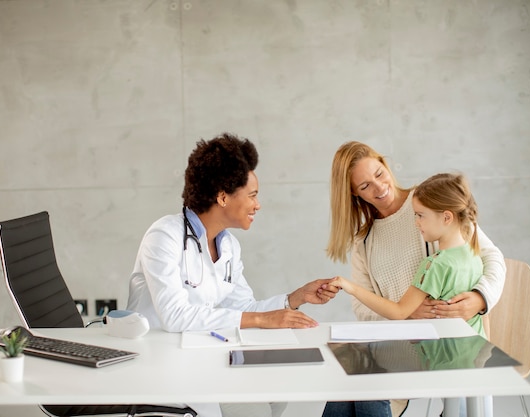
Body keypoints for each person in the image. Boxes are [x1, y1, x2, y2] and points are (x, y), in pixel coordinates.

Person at [126, 133, 340, 417]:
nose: (258, 205)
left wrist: (294, 299)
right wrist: (262, 319)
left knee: (277, 395)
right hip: (159, 364)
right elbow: (175, 316)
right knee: (254, 409)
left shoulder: (228, 246)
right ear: (223, 196)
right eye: (252, 195)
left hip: (198, 357)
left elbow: (244, 309)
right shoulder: (164, 236)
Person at [323, 142, 505, 417]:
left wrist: (480, 298)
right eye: (365, 186)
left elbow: (491, 257)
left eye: (379, 174)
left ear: (386, 164)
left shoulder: (430, 203)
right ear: (352, 193)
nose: (379, 187)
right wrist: (406, 315)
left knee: (363, 383)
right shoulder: (364, 241)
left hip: (441, 348)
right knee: (346, 385)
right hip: (397, 347)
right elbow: (362, 310)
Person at [331, 172, 486, 338]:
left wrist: (351, 287)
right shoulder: (474, 255)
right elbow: (484, 319)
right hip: (473, 352)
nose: (416, 222)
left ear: (447, 217)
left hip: (444, 358)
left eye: (420, 215)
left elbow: (398, 312)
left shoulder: (433, 264)